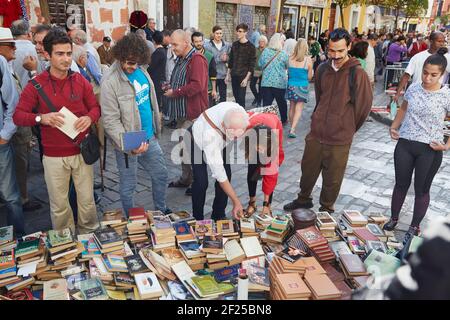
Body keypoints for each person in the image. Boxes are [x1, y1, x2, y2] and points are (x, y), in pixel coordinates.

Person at [13, 28, 101, 234]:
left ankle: (88, 238)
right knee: (60, 206)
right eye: (60, 54)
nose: (66, 59)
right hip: (53, 156)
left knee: (87, 202)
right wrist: (40, 118)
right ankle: (65, 245)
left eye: (68, 53)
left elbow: (96, 108)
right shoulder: (36, 85)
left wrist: (89, 118)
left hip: (81, 152)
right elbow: (18, 116)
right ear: (47, 55)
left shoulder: (80, 81)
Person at [283, 28, 372, 214]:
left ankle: (326, 208)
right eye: (332, 50)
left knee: (332, 179)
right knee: (307, 171)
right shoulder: (322, 69)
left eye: (340, 50)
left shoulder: (357, 74)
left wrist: (345, 127)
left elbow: (363, 109)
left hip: (339, 138)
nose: (336, 55)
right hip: (316, 134)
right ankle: (303, 199)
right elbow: (320, 98)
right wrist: (318, 120)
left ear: (349, 46)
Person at [100, 33, 171, 217]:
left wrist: (158, 118)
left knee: (161, 174)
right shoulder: (110, 81)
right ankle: (134, 221)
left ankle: (161, 211)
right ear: (120, 56)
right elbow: (110, 120)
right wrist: (129, 145)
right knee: (128, 185)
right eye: (127, 62)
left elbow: (148, 100)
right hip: (129, 142)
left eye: (135, 63)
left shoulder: (142, 70)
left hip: (149, 137)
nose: (130, 67)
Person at [384, 48, 450, 244]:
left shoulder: (446, 95)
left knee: (421, 189)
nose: (427, 78)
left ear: (443, 74)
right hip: (405, 144)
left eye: (433, 75)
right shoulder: (413, 88)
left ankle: (414, 226)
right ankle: (394, 218)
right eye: (425, 72)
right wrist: (394, 126)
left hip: (429, 149)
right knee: (400, 184)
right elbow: (404, 107)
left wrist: (446, 146)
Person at [165, 29, 208, 194]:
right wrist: (172, 86)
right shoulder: (183, 58)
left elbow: (198, 85)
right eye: (171, 44)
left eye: (175, 44)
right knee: (184, 148)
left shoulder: (196, 59)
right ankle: (186, 179)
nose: (172, 48)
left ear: (186, 42)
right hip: (183, 113)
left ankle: (196, 182)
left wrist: (175, 92)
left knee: (192, 149)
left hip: (194, 114)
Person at [189, 102, 248, 221]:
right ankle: (198, 219)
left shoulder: (240, 112)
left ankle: (218, 214)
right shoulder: (209, 136)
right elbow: (220, 176)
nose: (236, 139)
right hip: (199, 137)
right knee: (201, 182)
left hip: (222, 137)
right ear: (223, 125)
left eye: (238, 135)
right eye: (233, 135)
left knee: (228, 174)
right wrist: (236, 202)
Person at [9, 20, 42, 211]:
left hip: (17, 108)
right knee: (22, 155)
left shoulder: (15, 51)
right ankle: (22, 196)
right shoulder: (31, 49)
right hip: (28, 107)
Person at [0, 27, 26, 237]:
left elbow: (13, 103)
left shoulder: (2, 64)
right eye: (10, 45)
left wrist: (4, 134)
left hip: (1, 140)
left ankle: (17, 239)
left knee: (10, 194)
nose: (14, 48)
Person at [242, 112, 284, 217]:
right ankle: (252, 203)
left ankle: (268, 206)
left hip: (273, 125)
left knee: (269, 168)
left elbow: (271, 176)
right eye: (259, 148)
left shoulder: (273, 142)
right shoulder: (246, 128)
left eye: (263, 149)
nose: (261, 152)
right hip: (254, 128)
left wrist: (265, 204)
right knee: (252, 169)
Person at [394, 32, 450, 102]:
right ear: (431, 41)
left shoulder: (447, 58)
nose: (442, 44)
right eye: (439, 41)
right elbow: (406, 75)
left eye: (443, 41)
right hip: (416, 96)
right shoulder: (418, 57)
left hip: (435, 98)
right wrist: (397, 94)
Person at [259, 33, 289, 124]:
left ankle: (266, 121)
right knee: (281, 103)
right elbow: (287, 66)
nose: (284, 42)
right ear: (279, 42)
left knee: (267, 104)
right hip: (279, 83)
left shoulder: (265, 51)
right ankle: (284, 120)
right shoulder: (283, 54)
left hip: (266, 82)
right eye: (283, 41)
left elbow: (260, 64)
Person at [286, 38, 313, 138]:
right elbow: (310, 77)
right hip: (302, 86)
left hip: (291, 85)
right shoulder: (308, 60)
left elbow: (288, 72)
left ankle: (291, 126)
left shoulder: (290, 58)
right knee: (299, 108)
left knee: (292, 106)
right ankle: (293, 129)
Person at [226, 23, 256, 108]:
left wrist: (246, 79)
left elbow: (252, 65)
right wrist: (227, 75)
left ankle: (243, 118)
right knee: (236, 98)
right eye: (237, 31)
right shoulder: (234, 45)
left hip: (243, 76)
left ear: (245, 33)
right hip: (234, 75)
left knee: (241, 99)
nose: (237, 33)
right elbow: (231, 60)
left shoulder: (251, 47)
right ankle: (238, 117)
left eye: (240, 31)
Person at [204, 25, 231, 103]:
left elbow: (230, 58)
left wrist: (227, 58)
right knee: (212, 98)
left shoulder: (227, 45)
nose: (219, 35)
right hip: (212, 75)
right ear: (213, 34)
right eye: (217, 33)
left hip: (223, 75)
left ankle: (222, 114)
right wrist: (220, 58)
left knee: (223, 98)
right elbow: (208, 60)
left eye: (220, 33)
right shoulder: (207, 46)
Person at [191, 31, 218, 107]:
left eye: (200, 41)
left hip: (207, 89)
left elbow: (213, 74)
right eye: (196, 41)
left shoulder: (209, 56)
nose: (198, 43)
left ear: (203, 41)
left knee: (208, 111)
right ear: (192, 42)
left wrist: (214, 89)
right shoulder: (189, 56)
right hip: (193, 89)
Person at [148, 31, 167, 111]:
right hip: (161, 78)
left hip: (156, 79)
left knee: (156, 102)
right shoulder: (163, 51)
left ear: (153, 41)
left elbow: (150, 67)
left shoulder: (157, 53)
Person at [250, 35, 267, 107]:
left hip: (264, 71)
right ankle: (257, 97)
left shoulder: (267, 50)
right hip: (256, 70)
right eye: (260, 41)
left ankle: (259, 101)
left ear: (265, 42)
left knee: (261, 87)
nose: (261, 43)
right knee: (252, 85)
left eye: (263, 41)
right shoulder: (255, 49)